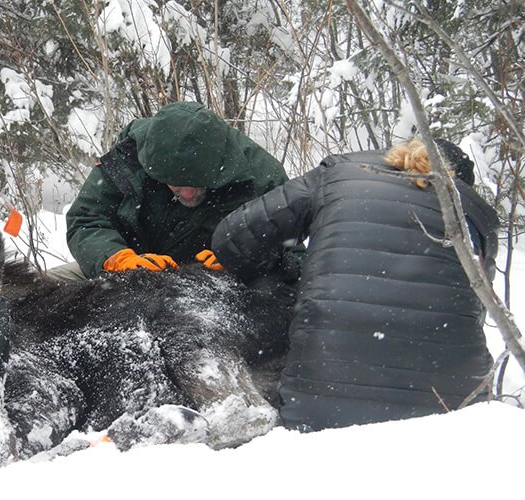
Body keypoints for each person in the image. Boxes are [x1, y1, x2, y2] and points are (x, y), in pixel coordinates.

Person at [212, 138, 499, 431]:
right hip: (455, 416)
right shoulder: (477, 213)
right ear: (457, 179)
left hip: (319, 404)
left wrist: (276, 273)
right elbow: (477, 306)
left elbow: (231, 237)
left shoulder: (340, 172)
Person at [56, 100, 291, 280]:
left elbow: (292, 256)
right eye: (175, 184)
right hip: (127, 271)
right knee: (39, 293)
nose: (188, 194)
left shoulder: (263, 178)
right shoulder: (130, 156)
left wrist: (245, 259)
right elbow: (86, 219)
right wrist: (116, 259)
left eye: (198, 184)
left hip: (212, 287)